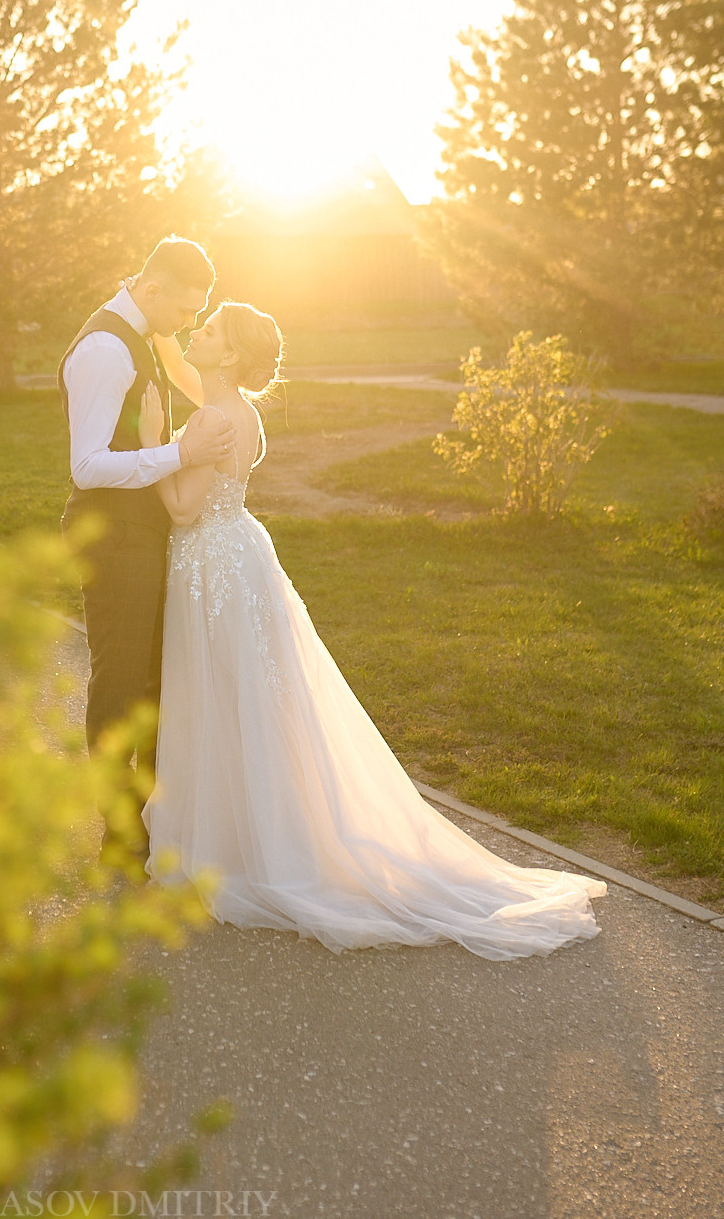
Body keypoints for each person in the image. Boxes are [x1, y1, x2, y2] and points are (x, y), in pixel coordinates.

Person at [143, 302, 606, 958]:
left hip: (210, 567)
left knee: (225, 698)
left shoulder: (208, 420)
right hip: (240, 559)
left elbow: (185, 509)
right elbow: (200, 391)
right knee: (259, 701)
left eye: (210, 331)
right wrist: (161, 334)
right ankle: (271, 831)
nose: (198, 333)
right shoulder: (233, 408)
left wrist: (151, 444)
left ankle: (243, 845)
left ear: (233, 356)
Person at [59, 237, 236, 862]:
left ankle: (157, 821)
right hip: (112, 536)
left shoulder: (141, 333)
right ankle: (119, 835)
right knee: (121, 683)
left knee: (160, 682)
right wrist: (179, 455)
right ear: (152, 289)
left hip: (145, 534)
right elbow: (87, 465)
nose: (186, 326)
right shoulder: (107, 350)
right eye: (184, 312)